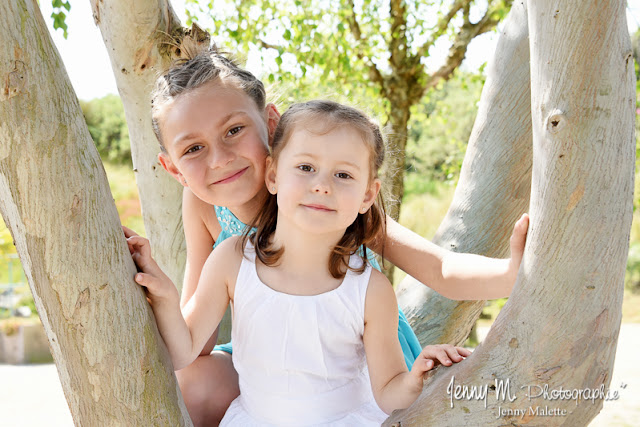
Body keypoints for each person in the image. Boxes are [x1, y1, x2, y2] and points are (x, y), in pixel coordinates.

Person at [132, 45, 529, 425]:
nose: (219, 158)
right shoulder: (202, 206)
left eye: (234, 130)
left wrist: (511, 273)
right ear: (174, 169)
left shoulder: (325, 198)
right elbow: (192, 343)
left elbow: (439, 269)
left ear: (271, 124)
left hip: (360, 366)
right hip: (273, 364)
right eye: (193, 149)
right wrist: (160, 292)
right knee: (190, 385)